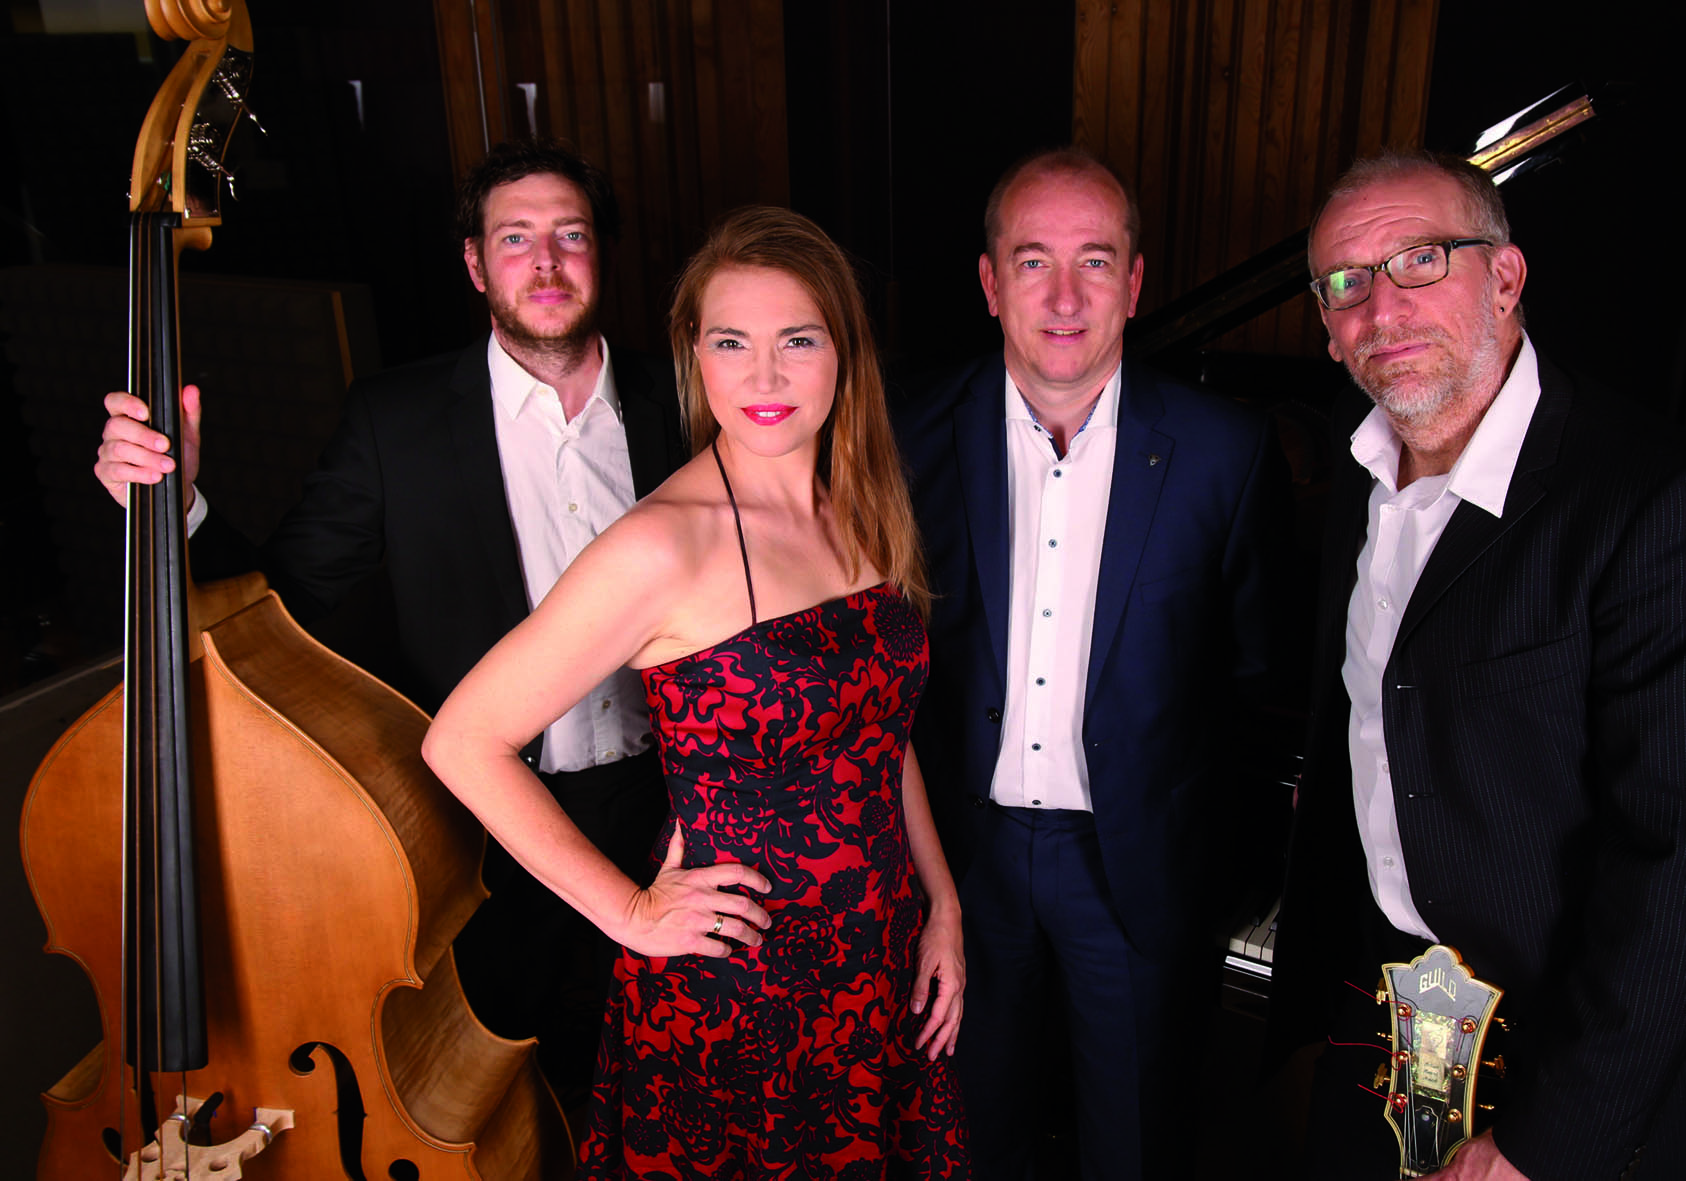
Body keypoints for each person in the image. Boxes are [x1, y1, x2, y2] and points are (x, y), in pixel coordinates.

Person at [91, 138, 686, 1114]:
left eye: (570, 234)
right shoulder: (394, 421)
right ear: (474, 263)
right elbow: (278, 602)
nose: (545, 262)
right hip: (490, 841)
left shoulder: (691, 400)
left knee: (681, 1094)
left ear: (602, 252)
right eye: (515, 238)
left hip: (677, 813)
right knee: (506, 1109)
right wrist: (175, 504)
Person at [423, 205, 970, 1177]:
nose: (763, 377)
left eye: (796, 340)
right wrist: (630, 912)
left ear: (843, 352)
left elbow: (880, 734)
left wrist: (943, 903)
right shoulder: (660, 544)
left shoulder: (860, 503)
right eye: (730, 342)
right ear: (694, 354)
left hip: (880, 957)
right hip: (740, 989)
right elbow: (462, 740)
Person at [1269, 150, 1686, 1180]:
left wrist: (1550, 1143)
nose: (1381, 308)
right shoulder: (1357, 466)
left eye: (1420, 260)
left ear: (1504, 277)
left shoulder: (1665, 507)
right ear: (1324, 324)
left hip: (1585, 1059)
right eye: (1345, 282)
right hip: (1395, 1009)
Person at [894, 147, 1293, 1178]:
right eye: (1033, 262)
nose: (1064, 297)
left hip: (1138, 865)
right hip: (959, 861)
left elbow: (1260, 678)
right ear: (990, 283)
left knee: (1134, 1142)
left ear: (1135, 281)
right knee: (969, 1134)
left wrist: (1217, 862)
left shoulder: (1225, 449)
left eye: (1095, 261)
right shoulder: (903, 434)